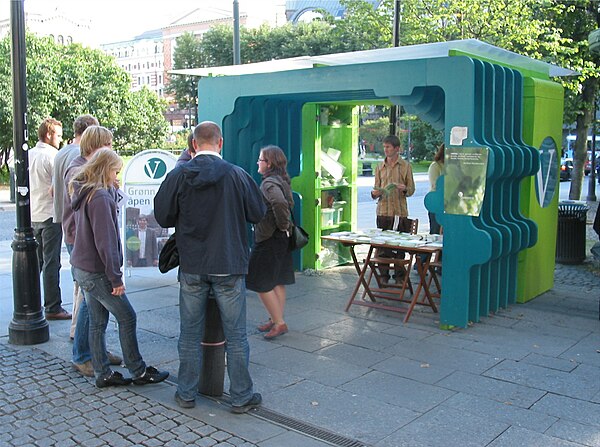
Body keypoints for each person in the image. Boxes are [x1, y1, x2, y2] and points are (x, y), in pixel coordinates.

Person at [154, 121, 266, 411]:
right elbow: (258, 211)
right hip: (229, 264)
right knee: (236, 335)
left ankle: (186, 393)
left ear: (193, 145)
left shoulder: (179, 175)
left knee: (189, 333)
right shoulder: (237, 175)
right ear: (220, 143)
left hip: (192, 265)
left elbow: (163, 216)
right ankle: (241, 396)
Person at [69, 149, 169, 388]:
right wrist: (115, 279)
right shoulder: (101, 197)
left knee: (97, 320)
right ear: (105, 169)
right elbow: (106, 243)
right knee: (127, 317)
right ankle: (138, 370)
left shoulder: (90, 192)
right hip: (97, 272)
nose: (118, 177)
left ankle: (102, 373)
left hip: (83, 268)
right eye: (115, 171)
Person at [64, 125, 122, 377]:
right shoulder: (81, 169)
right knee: (89, 302)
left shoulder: (91, 169)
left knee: (94, 303)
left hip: (86, 244)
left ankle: (96, 350)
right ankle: (84, 355)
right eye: (107, 143)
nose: (110, 147)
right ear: (96, 145)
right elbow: (92, 212)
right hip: (84, 245)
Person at [53, 114, 99, 339]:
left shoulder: (62, 152)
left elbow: (55, 190)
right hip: (78, 228)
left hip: (68, 224)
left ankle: (80, 336)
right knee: (86, 288)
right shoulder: (78, 157)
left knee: (81, 283)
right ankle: (80, 339)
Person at [246, 145, 295, 340]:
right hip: (280, 238)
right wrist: (284, 228)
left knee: (259, 281)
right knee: (277, 280)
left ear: (269, 163)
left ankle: (279, 323)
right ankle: (275, 318)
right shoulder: (281, 180)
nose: (258, 162)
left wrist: (282, 225)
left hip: (269, 238)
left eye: (260, 159)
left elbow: (280, 203)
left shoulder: (268, 184)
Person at [29, 118, 71, 320]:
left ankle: (30, 302)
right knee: (51, 263)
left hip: (33, 214)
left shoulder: (29, 154)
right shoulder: (53, 156)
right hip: (50, 215)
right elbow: (57, 189)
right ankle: (53, 307)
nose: (61, 139)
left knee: (35, 263)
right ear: (49, 134)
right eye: (59, 135)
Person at [371, 134, 415, 283]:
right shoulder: (379, 167)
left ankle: (400, 277)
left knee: (399, 247)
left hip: (399, 212)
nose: (386, 150)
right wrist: (376, 193)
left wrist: (404, 189)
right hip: (383, 211)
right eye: (384, 147)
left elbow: (411, 190)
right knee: (383, 248)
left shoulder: (406, 166)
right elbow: (374, 189)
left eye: (388, 147)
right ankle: (383, 276)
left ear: (397, 149)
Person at [427, 143, 444, 235]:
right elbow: (435, 185)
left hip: (450, 204)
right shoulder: (436, 166)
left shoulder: (454, 166)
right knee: (435, 231)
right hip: (436, 203)